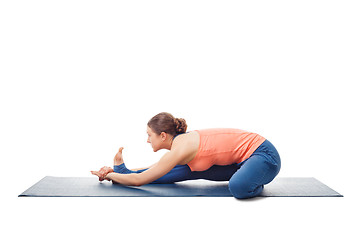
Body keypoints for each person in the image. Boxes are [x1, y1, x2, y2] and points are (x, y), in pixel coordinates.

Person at [91, 112, 281, 199]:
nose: (147, 140)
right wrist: (122, 173)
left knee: (238, 188)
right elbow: (155, 170)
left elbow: (140, 180)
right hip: (238, 162)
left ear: (163, 135)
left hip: (263, 155)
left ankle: (253, 183)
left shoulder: (181, 149)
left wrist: (108, 174)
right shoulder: (180, 145)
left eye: (149, 135)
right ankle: (122, 172)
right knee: (184, 172)